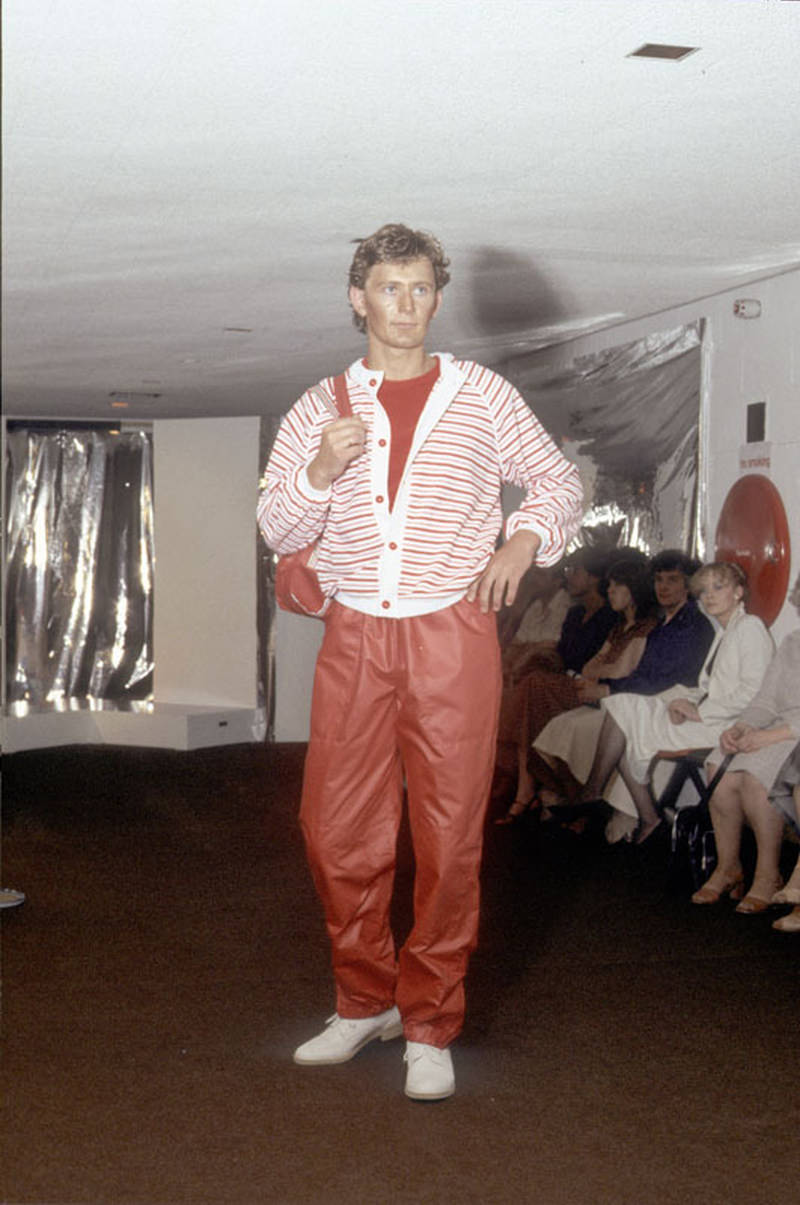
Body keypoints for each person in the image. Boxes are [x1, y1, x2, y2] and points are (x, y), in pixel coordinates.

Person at [257, 223, 583, 1100]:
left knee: (448, 833)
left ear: (437, 300)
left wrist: (523, 540)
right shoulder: (316, 405)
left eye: (420, 289)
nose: (405, 305)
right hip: (358, 633)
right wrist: (319, 472)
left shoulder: (480, 392)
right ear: (357, 298)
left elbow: (558, 482)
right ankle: (364, 1001)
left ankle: (431, 1020)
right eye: (388, 288)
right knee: (335, 830)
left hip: (453, 631)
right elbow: (279, 532)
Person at [579, 561, 774, 844]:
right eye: (704, 590)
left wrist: (699, 711)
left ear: (739, 592)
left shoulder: (750, 627)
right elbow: (707, 688)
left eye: (719, 587)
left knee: (626, 719)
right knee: (622, 709)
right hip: (708, 716)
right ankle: (640, 814)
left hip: (728, 725)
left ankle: (597, 797)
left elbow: (754, 694)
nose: (709, 595)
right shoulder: (724, 631)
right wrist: (681, 700)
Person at [692, 573, 800, 915]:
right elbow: (765, 700)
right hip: (775, 727)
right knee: (721, 772)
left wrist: (767, 736)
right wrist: (740, 728)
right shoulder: (792, 644)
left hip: (793, 734)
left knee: (754, 780)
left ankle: (768, 876)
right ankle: (728, 867)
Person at [494, 546, 616, 822]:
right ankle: (528, 788)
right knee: (531, 688)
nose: (569, 576)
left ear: (594, 578)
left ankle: (526, 790)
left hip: (587, 689)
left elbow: (594, 665)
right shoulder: (575, 616)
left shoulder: (608, 616)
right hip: (563, 682)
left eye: (576, 571)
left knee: (532, 687)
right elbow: (559, 656)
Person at [531, 557, 657, 812]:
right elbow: (590, 667)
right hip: (597, 695)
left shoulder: (646, 627)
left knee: (558, 719)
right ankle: (572, 797)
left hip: (617, 703)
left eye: (617, 586)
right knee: (546, 728)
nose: (610, 590)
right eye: (609, 585)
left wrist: (603, 669)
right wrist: (603, 669)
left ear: (634, 590)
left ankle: (580, 800)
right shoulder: (619, 627)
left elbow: (622, 670)